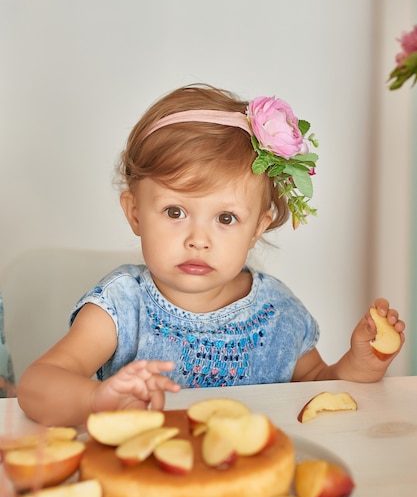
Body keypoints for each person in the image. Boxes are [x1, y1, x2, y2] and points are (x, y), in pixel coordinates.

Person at [17, 84, 405, 426]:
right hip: (144, 481)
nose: (198, 239)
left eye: (225, 217)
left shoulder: (278, 311)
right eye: (175, 212)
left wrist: (360, 366)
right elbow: (37, 385)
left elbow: (318, 388)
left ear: (257, 227)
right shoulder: (122, 307)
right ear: (135, 213)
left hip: (250, 487)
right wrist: (94, 400)